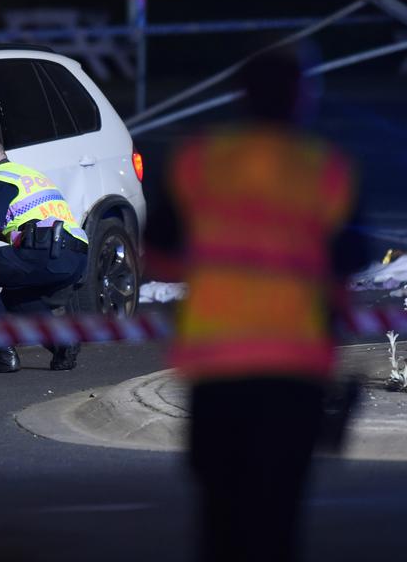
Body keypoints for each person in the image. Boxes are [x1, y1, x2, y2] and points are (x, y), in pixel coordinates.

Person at [145, 47, 365, 562]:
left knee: (220, 519)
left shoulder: (198, 160)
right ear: (302, 98)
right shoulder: (325, 168)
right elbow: (346, 266)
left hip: (217, 372)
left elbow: (159, 255)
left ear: (240, 95)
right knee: (280, 522)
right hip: (294, 374)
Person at [0, 134, 89, 374]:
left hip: (46, 251)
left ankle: (0, 354)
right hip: (76, 255)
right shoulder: (28, 175)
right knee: (17, 297)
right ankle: (62, 344)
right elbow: (26, 225)